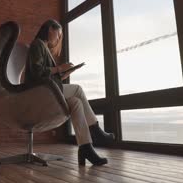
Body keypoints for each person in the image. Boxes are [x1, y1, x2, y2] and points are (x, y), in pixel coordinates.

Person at [24, 19, 115, 166]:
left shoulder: (44, 47)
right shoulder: (37, 44)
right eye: (58, 34)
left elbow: (48, 76)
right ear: (50, 30)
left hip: (45, 90)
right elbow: (37, 72)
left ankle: (85, 148)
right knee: (78, 89)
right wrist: (59, 69)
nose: (58, 38)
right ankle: (96, 130)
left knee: (76, 103)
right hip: (37, 92)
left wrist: (64, 74)